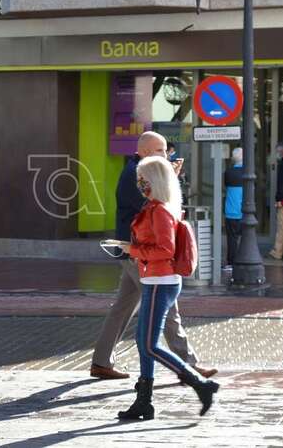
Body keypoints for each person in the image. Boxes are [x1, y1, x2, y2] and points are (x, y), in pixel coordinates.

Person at [90, 131, 216, 380]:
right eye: (161, 150)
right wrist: (170, 177)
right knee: (167, 307)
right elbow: (155, 208)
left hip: (135, 250)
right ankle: (188, 365)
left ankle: (101, 361)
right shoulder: (138, 173)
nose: (167, 155)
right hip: (140, 252)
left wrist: (169, 176)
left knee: (123, 306)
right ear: (146, 151)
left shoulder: (140, 170)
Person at [117, 156, 219, 421]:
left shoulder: (160, 210)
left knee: (149, 345)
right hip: (154, 280)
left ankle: (200, 384)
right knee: (143, 343)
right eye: (138, 179)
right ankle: (143, 402)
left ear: (155, 181)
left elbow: (166, 249)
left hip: (161, 282)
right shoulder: (155, 207)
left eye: (144, 179)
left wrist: (133, 250)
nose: (139, 184)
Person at [269, 142, 283, 260]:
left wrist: (279, 198)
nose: (276, 154)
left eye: (277, 152)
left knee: (281, 226)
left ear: (282, 152)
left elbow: (282, 183)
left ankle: (277, 251)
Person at [224, 147, 243, 271]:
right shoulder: (248, 172)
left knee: (232, 239)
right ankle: (243, 260)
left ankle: (231, 262)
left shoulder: (229, 172)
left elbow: (225, 186)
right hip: (244, 212)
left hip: (231, 211)